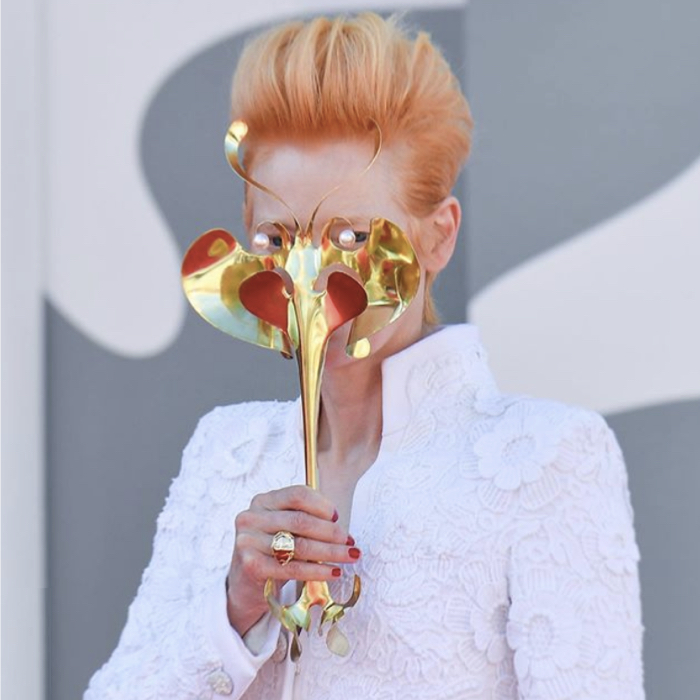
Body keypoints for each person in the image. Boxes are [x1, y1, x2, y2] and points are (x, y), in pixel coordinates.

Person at [85, 12, 645, 700]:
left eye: (350, 236)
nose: (307, 274)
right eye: (276, 239)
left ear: (437, 239)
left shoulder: (546, 459)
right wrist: (234, 605)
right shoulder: (224, 452)